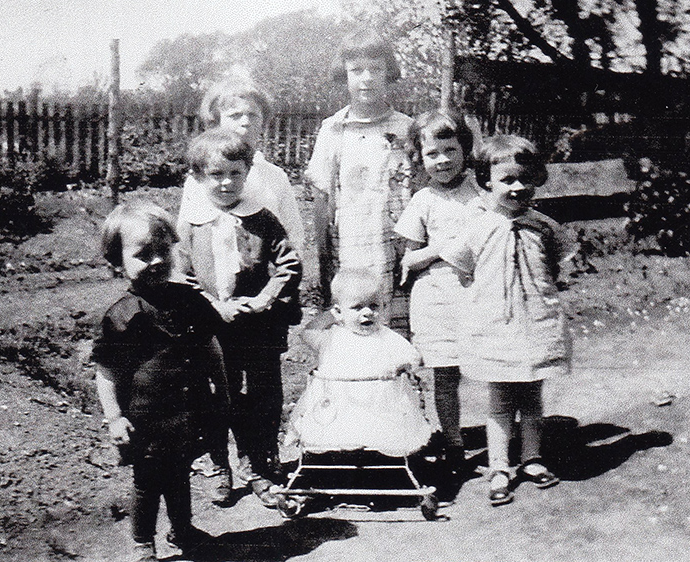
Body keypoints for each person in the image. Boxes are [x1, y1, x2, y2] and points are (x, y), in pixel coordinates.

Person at [441, 135, 572, 506]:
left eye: (524, 179)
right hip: (495, 324)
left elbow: (559, 260)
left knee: (531, 394)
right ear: (486, 182)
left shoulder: (543, 225)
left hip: (535, 320)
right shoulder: (477, 225)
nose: (517, 188)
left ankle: (531, 458)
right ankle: (499, 466)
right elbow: (460, 268)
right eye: (507, 180)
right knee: (499, 399)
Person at [92, 200, 227, 561]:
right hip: (146, 419)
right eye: (142, 254)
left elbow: (210, 346)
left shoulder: (189, 301)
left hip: (187, 411)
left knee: (181, 476)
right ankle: (142, 542)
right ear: (118, 262)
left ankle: (182, 530)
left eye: (162, 250)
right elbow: (106, 372)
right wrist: (115, 417)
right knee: (147, 483)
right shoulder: (123, 316)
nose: (155, 261)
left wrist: (221, 389)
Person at [177, 127, 302, 508]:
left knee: (261, 396)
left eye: (235, 173)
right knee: (216, 397)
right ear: (198, 178)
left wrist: (265, 298)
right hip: (211, 329)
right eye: (216, 175)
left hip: (256, 326)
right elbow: (181, 275)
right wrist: (213, 305)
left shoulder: (262, 219)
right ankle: (219, 465)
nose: (227, 183)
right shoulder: (192, 223)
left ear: (247, 172)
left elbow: (289, 265)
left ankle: (258, 464)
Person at [304, 27, 413, 335]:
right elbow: (322, 198)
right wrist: (325, 259)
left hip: (396, 247)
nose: (367, 78)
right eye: (357, 70)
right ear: (345, 75)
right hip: (349, 248)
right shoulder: (333, 129)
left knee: (396, 336)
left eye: (376, 69)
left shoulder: (406, 128)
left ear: (388, 73)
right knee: (353, 331)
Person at [394, 108, 481, 479]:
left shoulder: (481, 192)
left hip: (480, 293)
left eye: (450, 150)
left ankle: (505, 437)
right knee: (445, 375)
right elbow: (408, 260)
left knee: (495, 368)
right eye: (432, 153)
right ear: (420, 158)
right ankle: (454, 444)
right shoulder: (423, 200)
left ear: (464, 149)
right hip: (437, 297)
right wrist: (441, 247)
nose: (442, 160)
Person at [287, 268, 431, 457]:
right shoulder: (331, 337)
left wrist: (400, 365)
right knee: (333, 429)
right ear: (339, 311)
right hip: (340, 403)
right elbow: (308, 332)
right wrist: (332, 316)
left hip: (379, 404)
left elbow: (412, 356)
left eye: (374, 306)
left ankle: (377, 457)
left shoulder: (386, 337)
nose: (367, 313)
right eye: (357, 307)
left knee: (382, 432)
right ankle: (338, 457)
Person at [176, 76, 306, 256]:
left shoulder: (274, 176)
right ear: (216, 122)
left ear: (263, 121)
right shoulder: (200, 178)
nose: (246, 122)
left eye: (253, 115)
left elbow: (294, 234)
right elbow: (184, 236)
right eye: (235, 115)